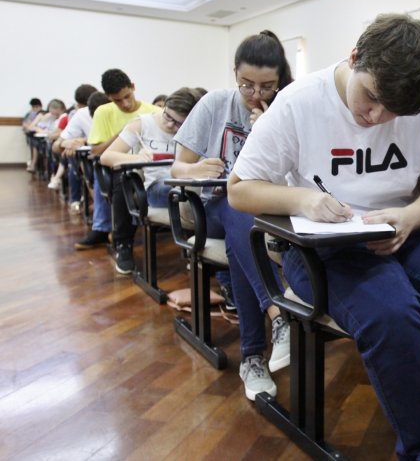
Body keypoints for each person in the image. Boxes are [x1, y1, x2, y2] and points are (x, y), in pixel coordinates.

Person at [227, 14, 420, 459]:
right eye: (372, 98)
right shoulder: (298, 102)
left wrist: (409, 216)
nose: (377, 117)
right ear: (354, 58)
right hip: (325, 247)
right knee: (393, 316)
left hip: (407, 228)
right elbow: (238, 190)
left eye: (394, 112)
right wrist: (303, 199)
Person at [171, 30, 294, 401]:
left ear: (280, 79)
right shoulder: (214, 104)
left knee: (242, 239)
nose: (255, 93)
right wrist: (195, 170)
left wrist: (269, 130)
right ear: (234, 73)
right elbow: (178, 168)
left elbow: (292, 178)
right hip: (208, 207)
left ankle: (252, 357)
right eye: (246, 84)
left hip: (257, 215)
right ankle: (278, 314)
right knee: (236, 205)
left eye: (267, 86)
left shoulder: (284, 109)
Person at [76, 69, 161, 272]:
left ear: (133, 87)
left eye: (127, 96)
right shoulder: (103, 112)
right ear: (108, 98)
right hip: (120, 168)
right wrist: (124, 133)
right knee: (124, 179)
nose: (125, 104)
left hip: (152, 167)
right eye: (117, 100)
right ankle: (123, 244)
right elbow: (96, 151)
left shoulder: (154, 112)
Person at [100, 87, 205, 207]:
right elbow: (106, 157)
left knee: (198, 191)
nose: (170, 125)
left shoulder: (195, 130)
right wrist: (138, 158)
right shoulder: (142, 124)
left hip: (187, 181)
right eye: (167, 116)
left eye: (179, 123)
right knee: (186, 192)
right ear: (165, 106)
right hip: (158, 187)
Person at [53, 84, 98, 214]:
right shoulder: (79, 114)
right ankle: (79, 199)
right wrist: (67, 143)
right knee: (74, 158)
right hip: (87, 155)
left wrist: (83, 140)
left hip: (101, 154)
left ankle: (81, 200)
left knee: (75, 159)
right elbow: (57, 143)